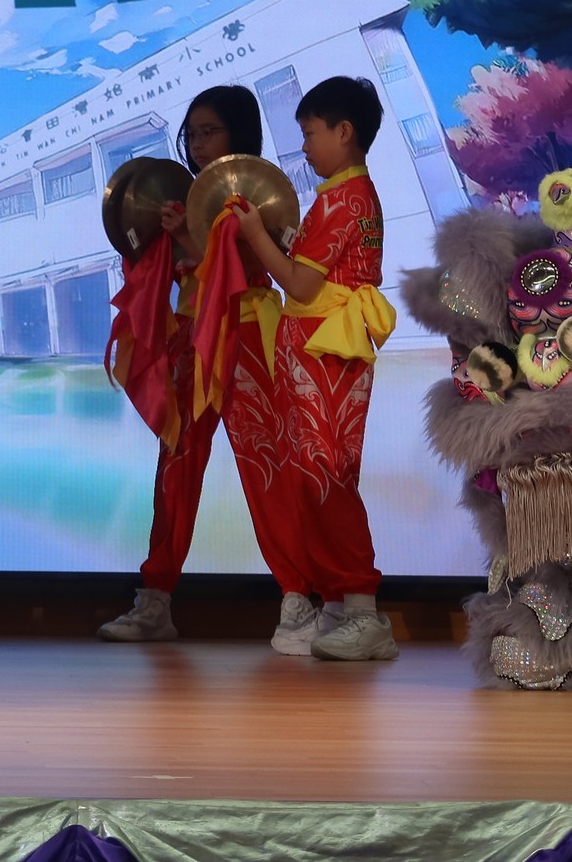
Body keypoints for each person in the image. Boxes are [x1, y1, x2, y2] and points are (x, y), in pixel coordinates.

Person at [99, 86, 312, 648]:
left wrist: (188, 240)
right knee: (175, 467)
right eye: (191, 134)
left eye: (208, 131)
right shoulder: (185, 196)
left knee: (265, 466)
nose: (196, 143)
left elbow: (247, 265)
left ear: (238, 132)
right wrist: (157, 239)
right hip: (195, 337)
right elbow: (170, 266)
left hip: (246, 334)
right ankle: (155, 600)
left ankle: (297, 601)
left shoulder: (257, 193)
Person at [232, 76, 397, 661]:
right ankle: (342, 606)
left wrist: (256, 234)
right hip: (320, 345)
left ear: (343, 132)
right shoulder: (349, 196)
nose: (303, 146)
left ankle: (363, 610)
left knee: (327, 476)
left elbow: (300, 284)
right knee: (316, 475)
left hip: (325, 347)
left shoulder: (341, 200)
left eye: (309, 133)